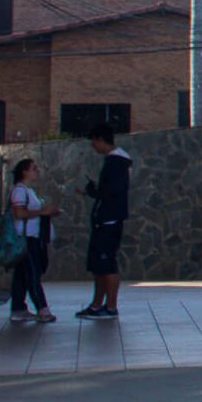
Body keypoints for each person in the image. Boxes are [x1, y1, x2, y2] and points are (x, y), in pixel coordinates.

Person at [76, 123, 131, 320]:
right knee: (99, 266)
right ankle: (97, 304)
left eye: (94, 142)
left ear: (100, 139)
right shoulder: (115, 161)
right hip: (104, 219)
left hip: (109, 220)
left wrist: (93, 191)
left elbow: (111, 191)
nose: (93, 147)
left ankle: (111, 307)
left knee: (108, 264)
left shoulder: (116, 162)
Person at [5, 158, 56, 325]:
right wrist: (42, 212)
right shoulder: (20, 191)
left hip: (31, 236)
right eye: (33, 169)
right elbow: (19, 213)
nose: (37, 171)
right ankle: (42, 309)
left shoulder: (28, 191)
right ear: (24, 172)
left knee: (22, 275)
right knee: (33, 273)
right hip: (25, 238)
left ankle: (18, 308)